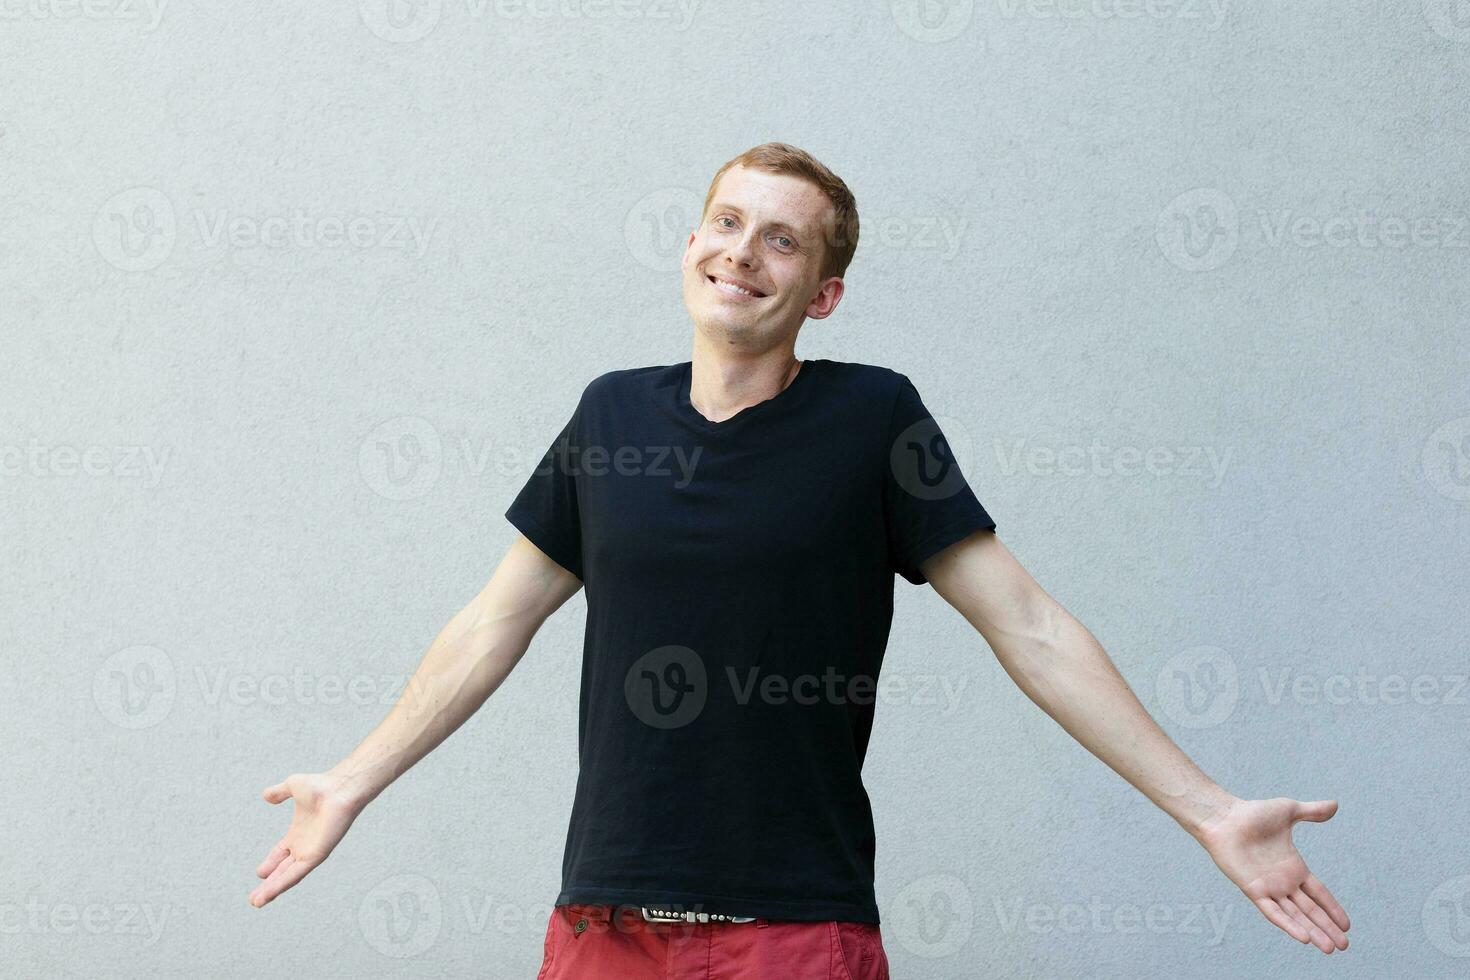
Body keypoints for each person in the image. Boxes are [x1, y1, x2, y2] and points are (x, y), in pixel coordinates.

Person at [249, 142, 1351, 977]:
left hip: (794, 930)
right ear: (689, 245)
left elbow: (1031, 625)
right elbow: (492, 622)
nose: (741, 249)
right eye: (725, 221)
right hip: (604, 923)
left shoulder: (873, 417)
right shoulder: (609, 413)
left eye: (782, 237)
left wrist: (1207, 806)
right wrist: (353, 777)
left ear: (822, 292)